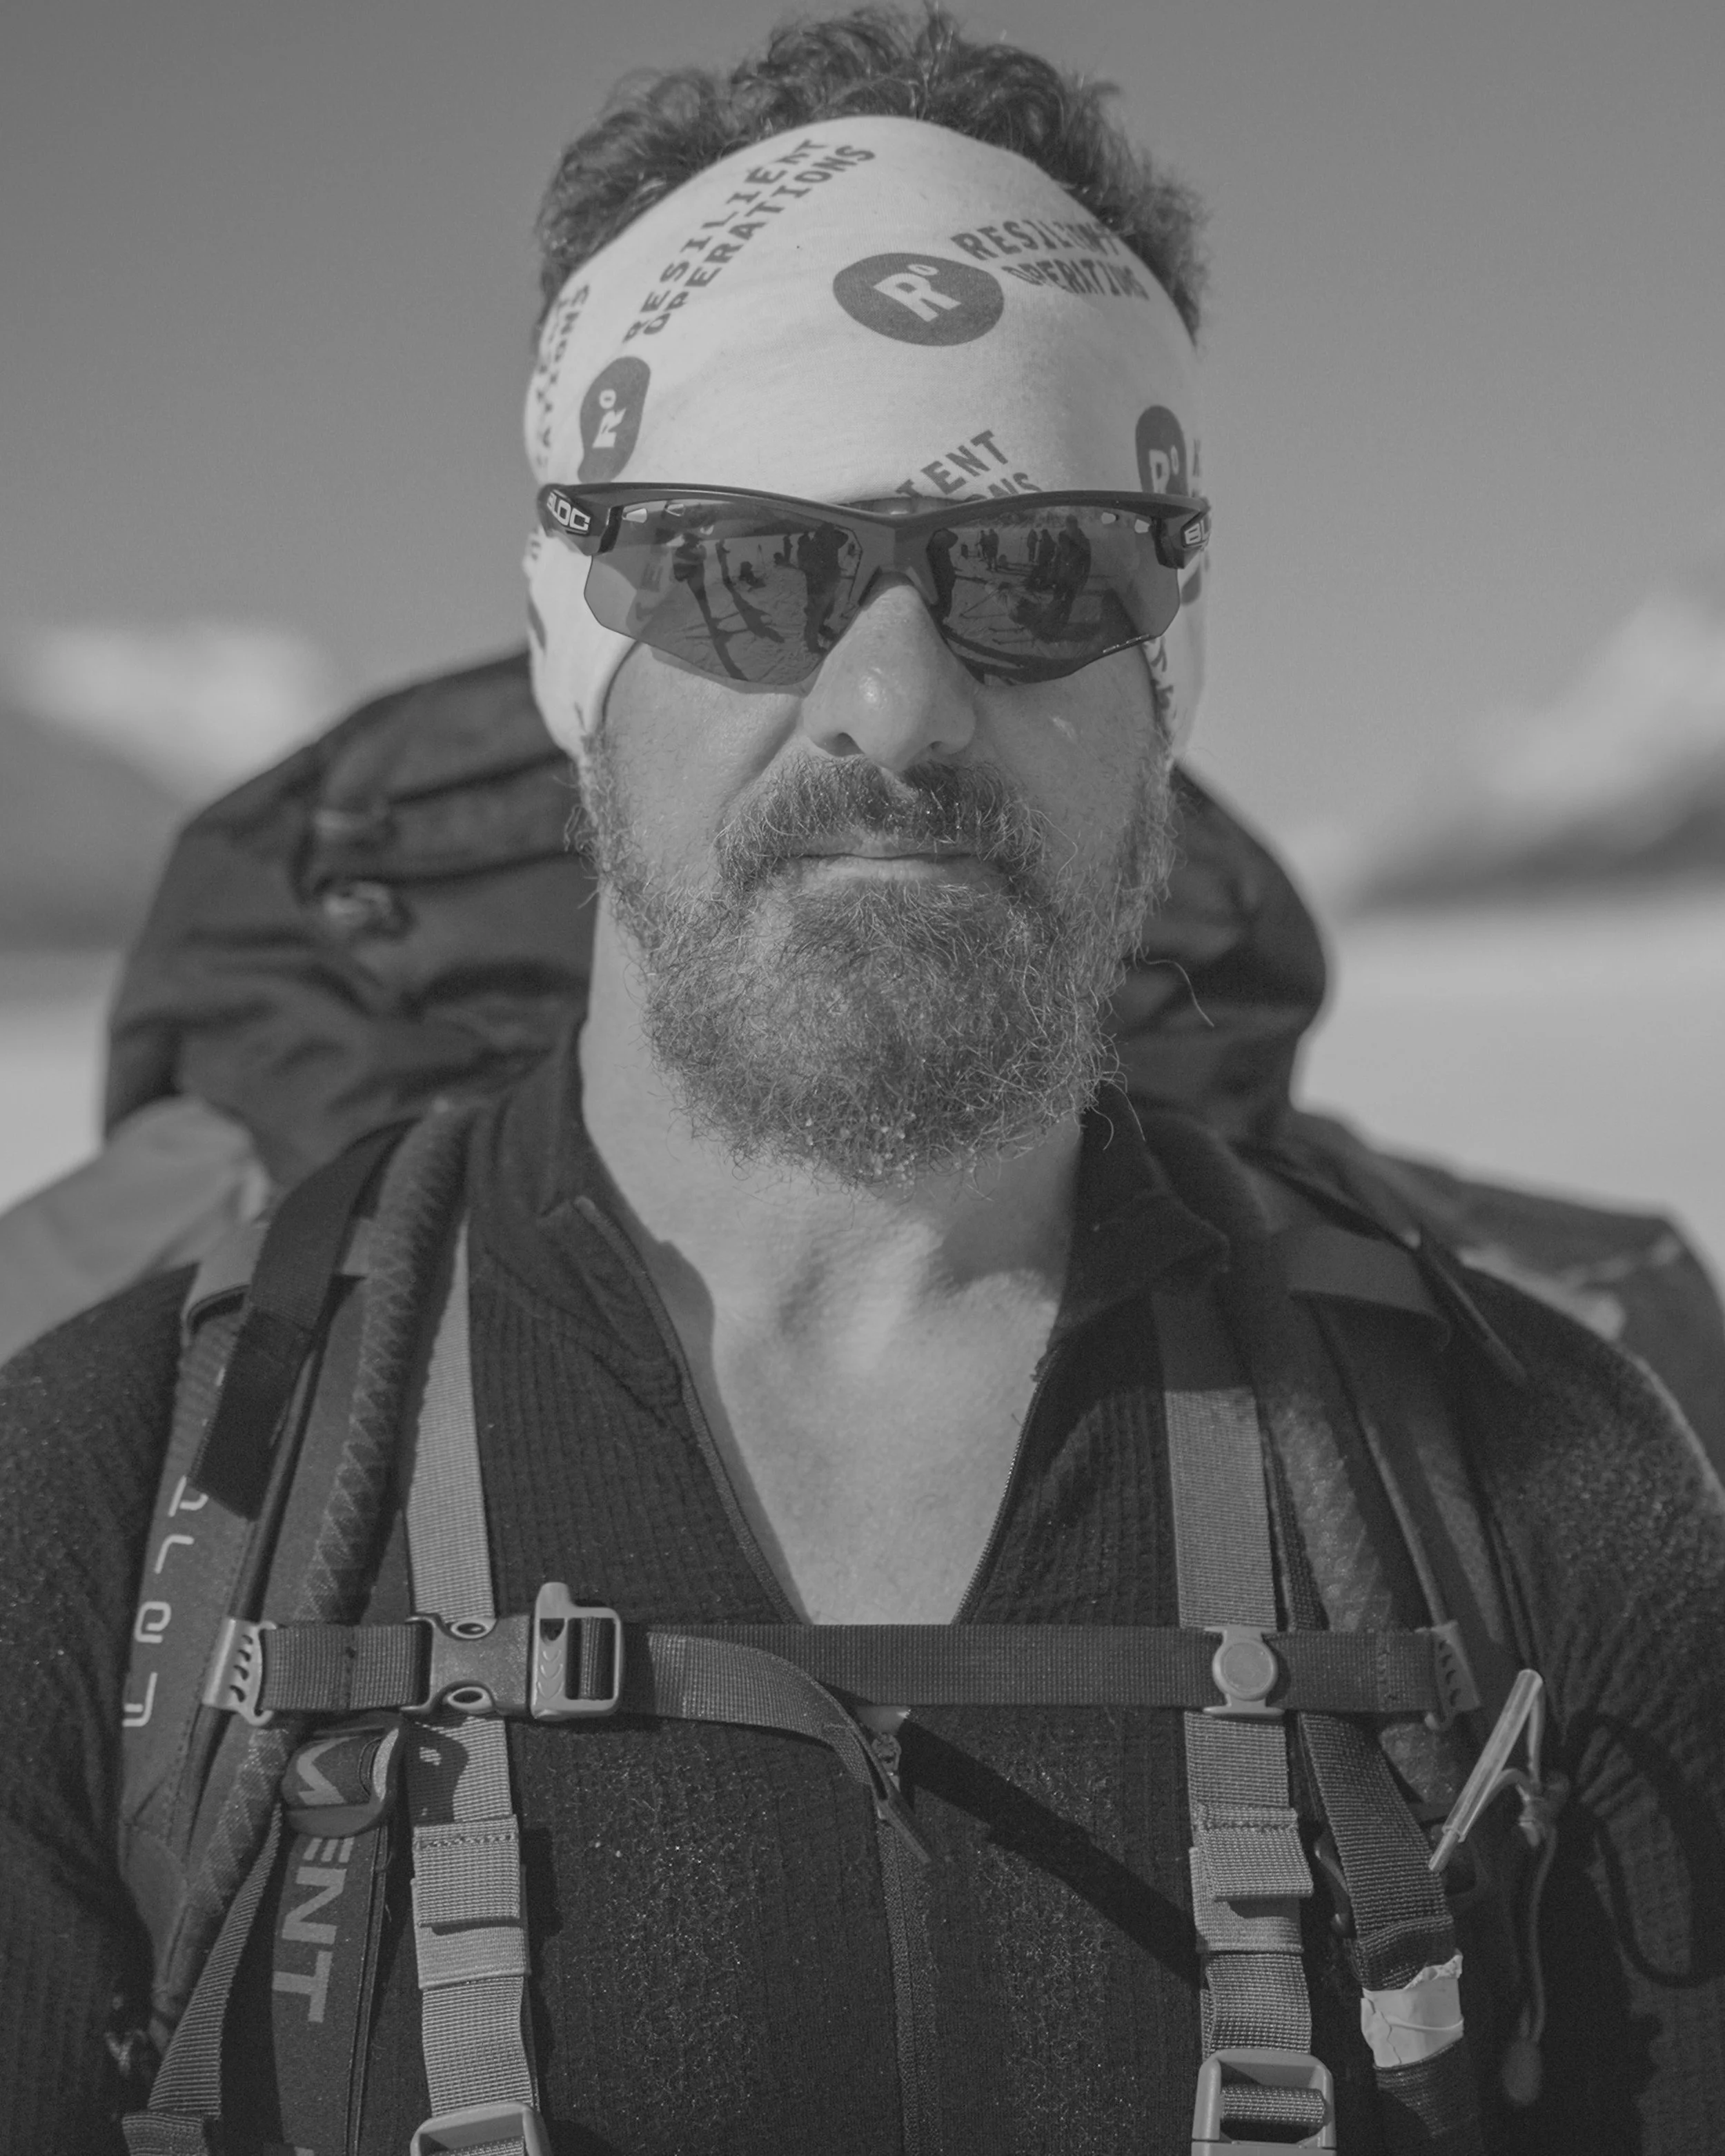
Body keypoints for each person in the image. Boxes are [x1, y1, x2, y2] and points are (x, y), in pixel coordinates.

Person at [2, 12, 1723, 2156]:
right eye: (753, 564)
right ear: (573, 637)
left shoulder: (1535, 1487)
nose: (894, 700)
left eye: (1036, 571)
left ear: (1159, 665)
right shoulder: (102, 1502)